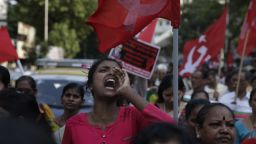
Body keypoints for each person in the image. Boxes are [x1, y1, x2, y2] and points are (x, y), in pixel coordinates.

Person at [62, 58, 174, 144]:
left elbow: (172, 127)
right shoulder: (74, 124)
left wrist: (128, 91)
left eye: (117, 72)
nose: (111, 73)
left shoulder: (133, 116)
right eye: (103, 70)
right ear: (91, 85)